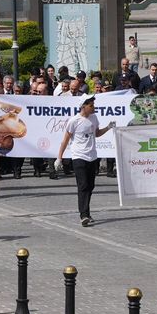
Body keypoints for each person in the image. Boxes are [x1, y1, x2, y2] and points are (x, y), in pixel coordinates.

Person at [56, 95, 116, 226]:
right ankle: (83, 215)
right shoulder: (74, 121)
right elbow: (65, 139)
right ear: (84, 106)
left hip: (92, 156)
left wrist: (108, 127)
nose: (93, 107)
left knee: (90, 186)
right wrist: (59, 158)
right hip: (79, 156)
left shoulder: (94, 118)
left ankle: (87, 212)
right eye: (91, 105)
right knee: (82, 186)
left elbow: (97, 133)